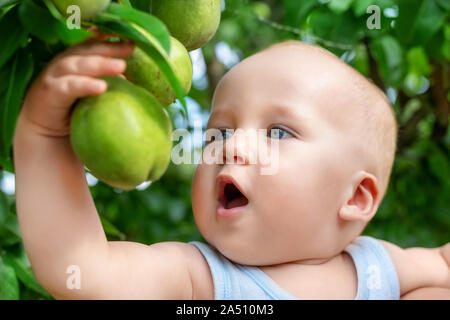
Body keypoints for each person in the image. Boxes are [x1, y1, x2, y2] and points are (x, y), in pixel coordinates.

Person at [13, 33, 450, 299]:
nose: (232, 147)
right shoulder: (200, 281)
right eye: (217, 133)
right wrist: (44, 136)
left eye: (278, 132)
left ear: (355, 197)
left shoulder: (381, 269)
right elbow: (85, 274)